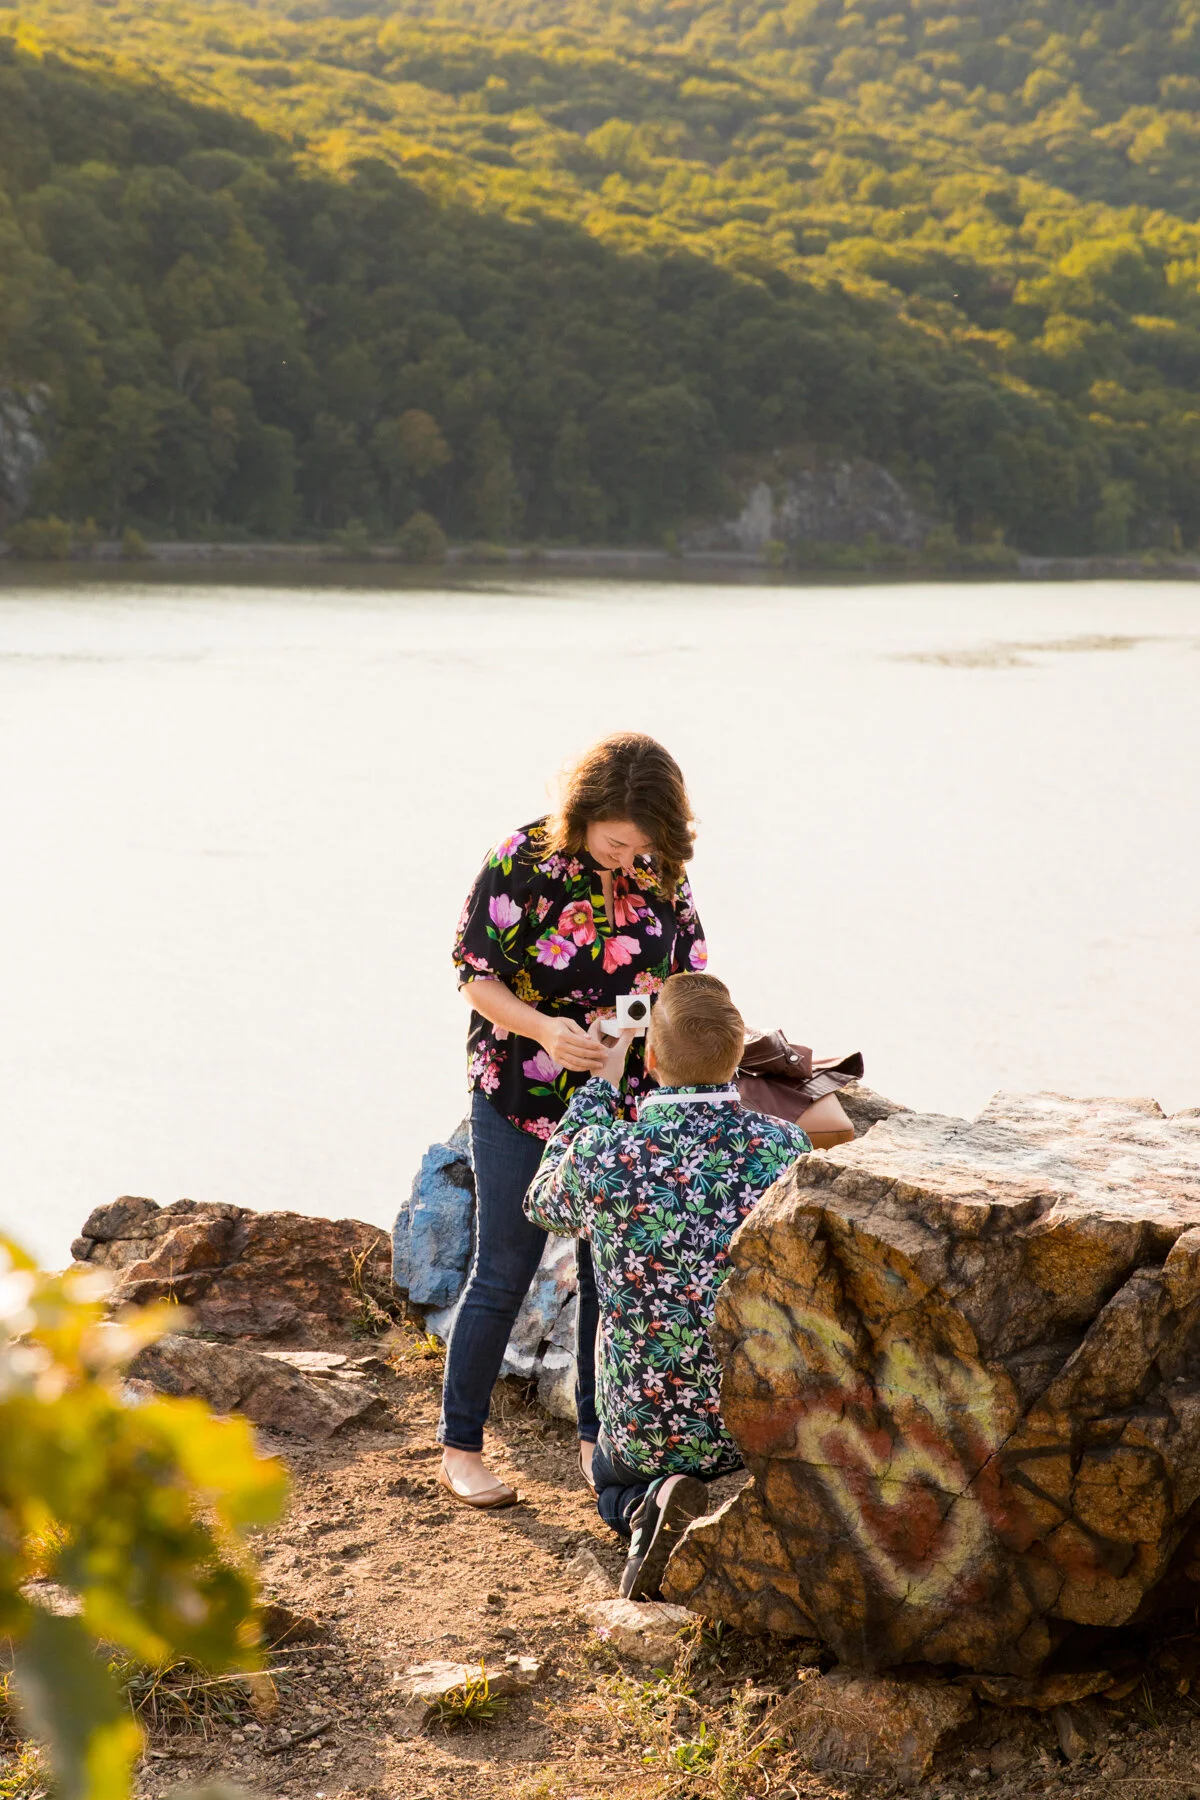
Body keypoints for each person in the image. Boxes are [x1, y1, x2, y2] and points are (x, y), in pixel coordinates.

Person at [439, 733, 708, 1509]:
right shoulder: (520, 860)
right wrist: (546, 1032)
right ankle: (460, 1447)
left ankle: (598, 1441)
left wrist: (628, 1032)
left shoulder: (661, 869)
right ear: (583, 811)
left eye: (643, 845)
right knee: (503, 1269)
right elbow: (473, 976)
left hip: (622, 1097)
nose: (629, 859)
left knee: (604, 1275)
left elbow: (685, 978)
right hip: (520, 1090)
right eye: (616, 843)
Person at [525, 972, 811, 1597]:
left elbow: (539, 1201)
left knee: (608, 1480)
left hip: (646, 1428)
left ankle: (641, 1504)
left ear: (650, 1059)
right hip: (751, 1419)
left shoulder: (606, 1154)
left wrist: (601, 1087)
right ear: (736, 1059)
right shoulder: (784, 1146)